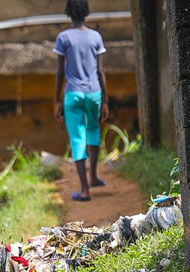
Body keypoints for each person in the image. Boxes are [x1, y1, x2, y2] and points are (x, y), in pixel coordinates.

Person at [54, 0, 109, 201]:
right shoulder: (95, 36)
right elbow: (101, 71)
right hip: (94, 93)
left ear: (69, 13)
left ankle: (85, 189)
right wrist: (105, 101)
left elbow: (60, 72)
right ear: (86, 12)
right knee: (93, 131)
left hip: (73, 94)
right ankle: (94, 176)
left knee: (77, 138)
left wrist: (56, 101)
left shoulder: (64, 38)